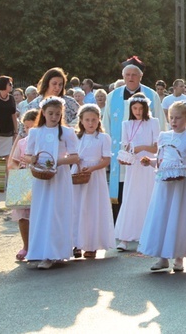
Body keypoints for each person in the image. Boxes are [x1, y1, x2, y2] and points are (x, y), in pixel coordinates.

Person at [139, 101, 186, 272]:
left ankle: (179, 257)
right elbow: (162, 159)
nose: (174, 121)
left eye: (178, 118)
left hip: (181, 185)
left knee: (178, 216)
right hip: (163, 183)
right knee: (161, 214)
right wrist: (151, 161)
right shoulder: (164, 136)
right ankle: (162, 257)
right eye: (171, 118)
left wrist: (185, 170)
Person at [103, 56, 166, 214]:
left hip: (145, 153)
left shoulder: (151, 96)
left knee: (144, 190)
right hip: (121, 154)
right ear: (123, 77)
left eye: (134, 75)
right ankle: (120, 224)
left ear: (140, 76)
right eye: (127, 75)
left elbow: (161, 125)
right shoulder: (112, 96)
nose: (130, 78)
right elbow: (106, 124)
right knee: (121, 190)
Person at [25, 97, 80, 270]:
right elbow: (27, 155)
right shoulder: (35, 132)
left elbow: (75, 156)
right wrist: (33, 159)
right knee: (42, 211)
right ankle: (41, 251)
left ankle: (56, 251)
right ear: (43, 113)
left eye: (57, 114)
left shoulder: (66, 132)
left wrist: (56, 162)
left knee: (57, 212)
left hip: (59, 176)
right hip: (41, 178)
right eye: (50, 113)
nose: (54, 117)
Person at [115, 93, 160, 250]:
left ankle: (148, 235)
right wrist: (125, 154)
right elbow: (125, 146)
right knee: (131, 198)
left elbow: (156, 147)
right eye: (135, 108)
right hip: (133, 166)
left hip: (148, 165)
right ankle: (125, 238)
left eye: (141, 108)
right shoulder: (126, 124)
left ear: (146, 108)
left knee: (148, 198)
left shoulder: (153, 122)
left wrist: (141, 148)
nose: (138, 111)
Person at [72, 104, 114, 259]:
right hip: (78, 173)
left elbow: (106, 159)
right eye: (87, 120)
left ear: (99, 120)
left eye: (94, 120)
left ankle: (91, 244)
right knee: (77, 207)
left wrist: (92, 169)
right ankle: (76, 242)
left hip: (95, 176)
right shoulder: (77, 137)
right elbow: (72, 155)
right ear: (81, 121)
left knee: (92, 208)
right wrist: (77, 165)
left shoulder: (103, 138)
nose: (90, 123)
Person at [8, 108, 39, 261]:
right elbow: (13, 162)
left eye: (32, 127)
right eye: (26, 127)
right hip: (23, 179)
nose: (28, 130)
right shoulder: (21, 142)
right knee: (22, 215)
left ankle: (38, 245)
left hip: (38, 179)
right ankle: (26, 246)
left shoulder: (42, 141)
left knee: (37, 214)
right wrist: (19, 170)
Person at [0, 75, 18, 158]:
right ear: (3, 84)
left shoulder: (12, 99)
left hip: (8, 132)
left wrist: (16, 131)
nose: (12, 86)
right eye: (10, 84)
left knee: (8, 156)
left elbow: (13, 115)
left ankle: (6, 171)